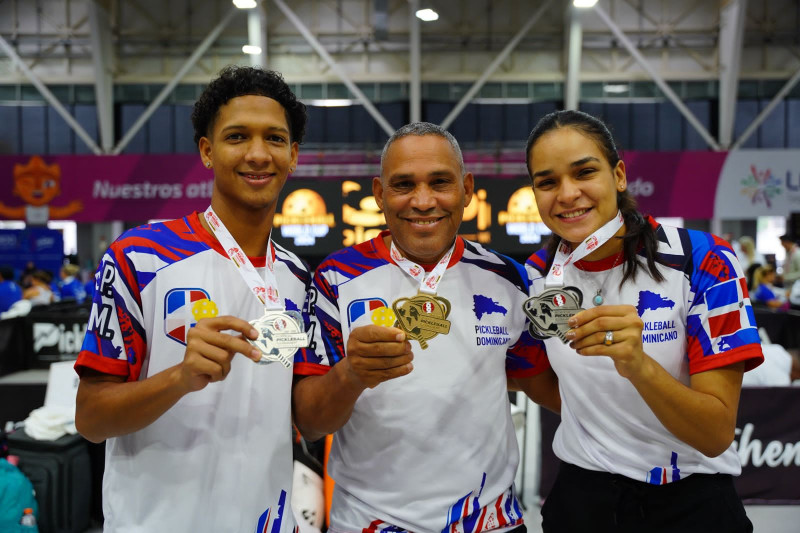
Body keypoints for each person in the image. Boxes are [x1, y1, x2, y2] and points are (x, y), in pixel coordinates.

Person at [74, 65, 311, 532]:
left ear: (293, 156)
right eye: (238, 136)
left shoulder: (299, 277)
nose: (259, 154)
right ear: (207, 151)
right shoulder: (138, 257)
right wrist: (180, 377)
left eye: (275, 139)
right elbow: (90, 419)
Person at [292, 122, 557, 532]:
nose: (422, 200)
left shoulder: (510, 280)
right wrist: (351, 374)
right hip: (369, 523)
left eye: (440, 182)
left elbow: (545, 387)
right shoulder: (334, 279)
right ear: (379, 194)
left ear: (467, 189)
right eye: (403, 185)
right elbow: (309, 422)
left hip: (490, 524)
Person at [521, 109, 764, 532]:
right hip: (582, 502)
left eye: (584, 172)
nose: (567, 193)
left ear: (618, 175)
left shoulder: (704, 260)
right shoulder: (535, 276)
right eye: (547, 181)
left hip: (691, 501)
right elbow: (538, 381)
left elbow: (715, 434)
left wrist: (639, 367)